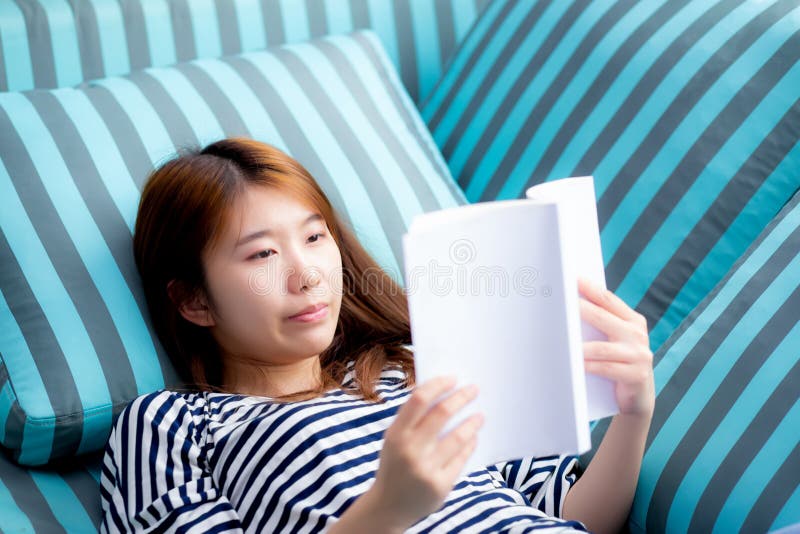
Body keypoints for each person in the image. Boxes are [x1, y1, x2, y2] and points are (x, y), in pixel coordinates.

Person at [99, 137, 655, 533]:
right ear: (194, 300)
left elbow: (568, 513)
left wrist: (633, 415)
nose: (308, 274)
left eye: (315, 238)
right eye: (263, 253)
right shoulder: (169, 427)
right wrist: (387, 509)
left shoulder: (418, 368)